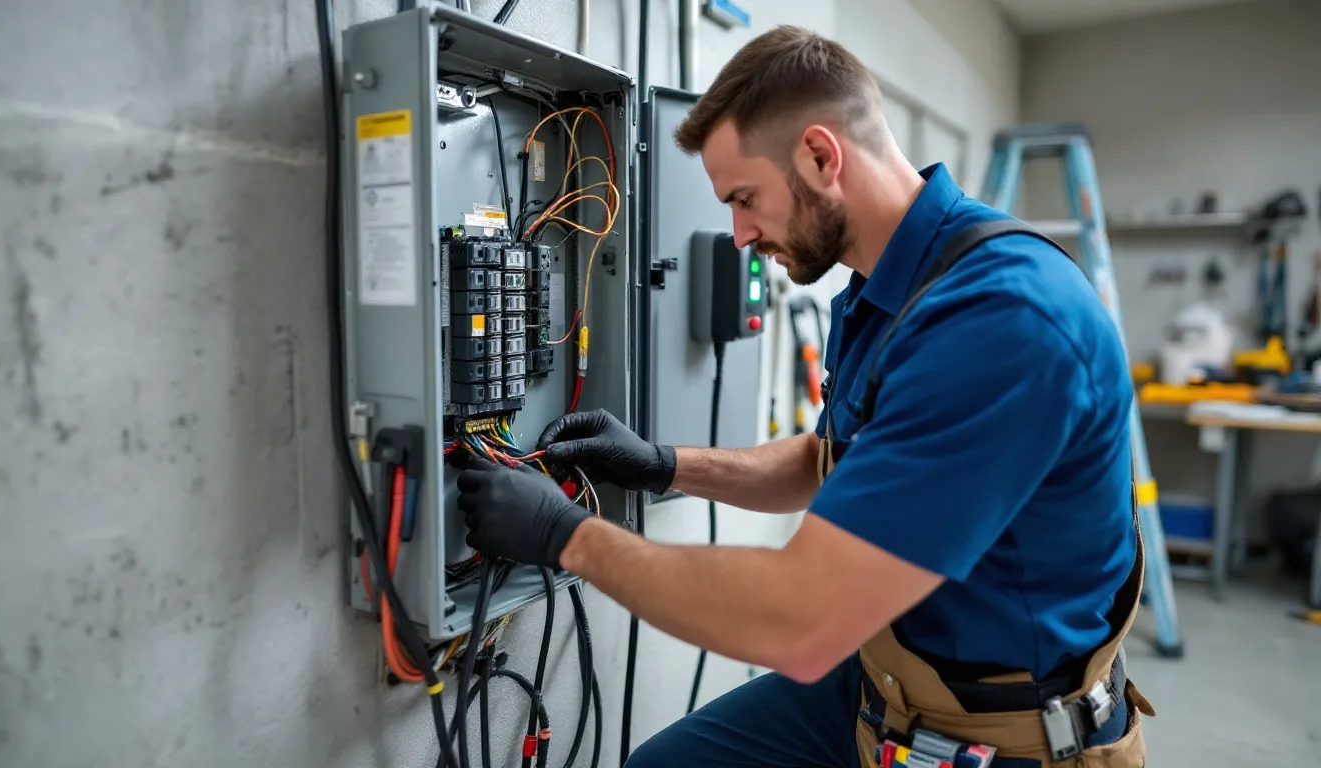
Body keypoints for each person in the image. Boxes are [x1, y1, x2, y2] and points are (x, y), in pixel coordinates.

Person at [455, 25, 1155, 768]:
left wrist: (568, 537)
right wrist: (663, 464)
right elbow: (828, 460)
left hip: (1006, 735)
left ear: (822, 156)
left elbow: (801, 620)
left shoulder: (1001, 320)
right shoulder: (884, 288)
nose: (739, 235)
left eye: (746, 199)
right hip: (885, 687)